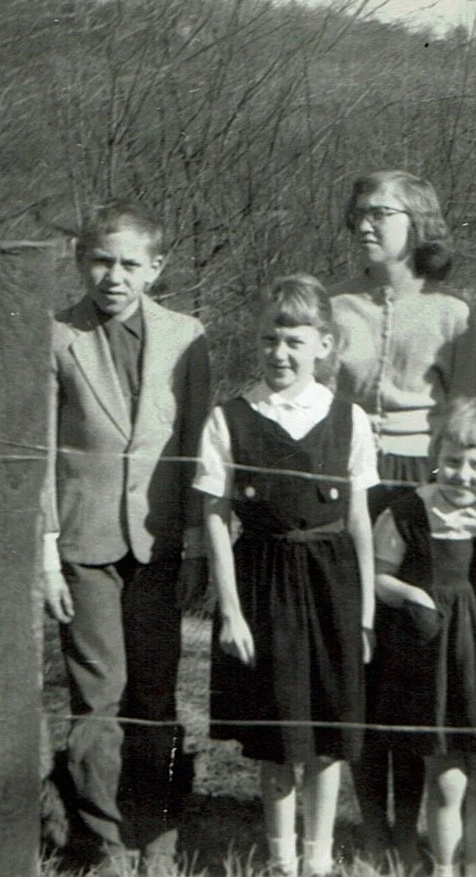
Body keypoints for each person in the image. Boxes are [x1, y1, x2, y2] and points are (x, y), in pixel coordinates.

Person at [42, 200, 210, 876]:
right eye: (101, 261)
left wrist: (196, 543)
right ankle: (106, 840)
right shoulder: (55, 336)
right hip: (84, 544)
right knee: (98, 693)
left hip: (160, 544)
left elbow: (202, 446)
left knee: (155, 697)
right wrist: (47, 553)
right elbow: (38, 452)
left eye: (129, 264)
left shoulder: (187, 336)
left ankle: (158, 832)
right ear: (82, 261)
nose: (113, 276)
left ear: (156, 268)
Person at [196, 274, 377, 877]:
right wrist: (230, 610)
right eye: (271, 339)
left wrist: (367, 611)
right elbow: (218, 520)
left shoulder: (349, 419)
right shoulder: (231, 419)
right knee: (277, 734)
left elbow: (358, 521)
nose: (280, 353)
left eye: (295, 341)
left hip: (333, 586)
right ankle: (279, 861)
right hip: (263, 583)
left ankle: (318, 861)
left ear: (324, 344)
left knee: (326, 733)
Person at [332, 168, 476, 861]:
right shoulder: (335, 311)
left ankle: (417, 824)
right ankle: (373, 824)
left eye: (380, 212)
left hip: (425, 489)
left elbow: (468, 418)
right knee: (359, 651)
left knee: (416, 656)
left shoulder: (452, 314)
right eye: (358, 212)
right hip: (353, 486)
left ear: (416, 223)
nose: (364, 222)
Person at [370, 398, 476, 877]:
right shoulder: (409, 510)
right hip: (431, 655)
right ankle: (443, 868)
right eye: (452, 461)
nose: (462, 475)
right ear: (436, 455)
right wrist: (411, 593)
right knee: (444, 776)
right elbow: (376, 576)